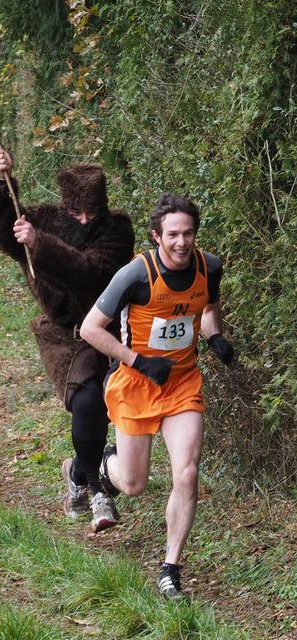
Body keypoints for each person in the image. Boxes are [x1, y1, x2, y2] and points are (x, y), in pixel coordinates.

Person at [0, 147, 135, 532]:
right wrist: (1, 180)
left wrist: (39, 243)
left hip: (105, 331)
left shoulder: (116, 231)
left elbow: (89, 272)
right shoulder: (44, 220)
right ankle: (98, 492)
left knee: (102, 409)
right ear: (65, 205)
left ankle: (76, 472)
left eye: (92, 211)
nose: (85, 219)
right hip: (63, 336)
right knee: (86, 402)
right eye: (77, 212)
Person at [80, 192, 234, 597]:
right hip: (136, 384)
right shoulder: (135, 275)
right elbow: (90, 328)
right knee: (133, 485)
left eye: (188, 233)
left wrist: (215, 337)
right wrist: (139, 361)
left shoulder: (209, 267)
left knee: (187, 472)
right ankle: (104, 465)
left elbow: (208, 308)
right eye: (173, 235)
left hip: (182, 383)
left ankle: (170, 569)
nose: (182, 242)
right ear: (156, 236)